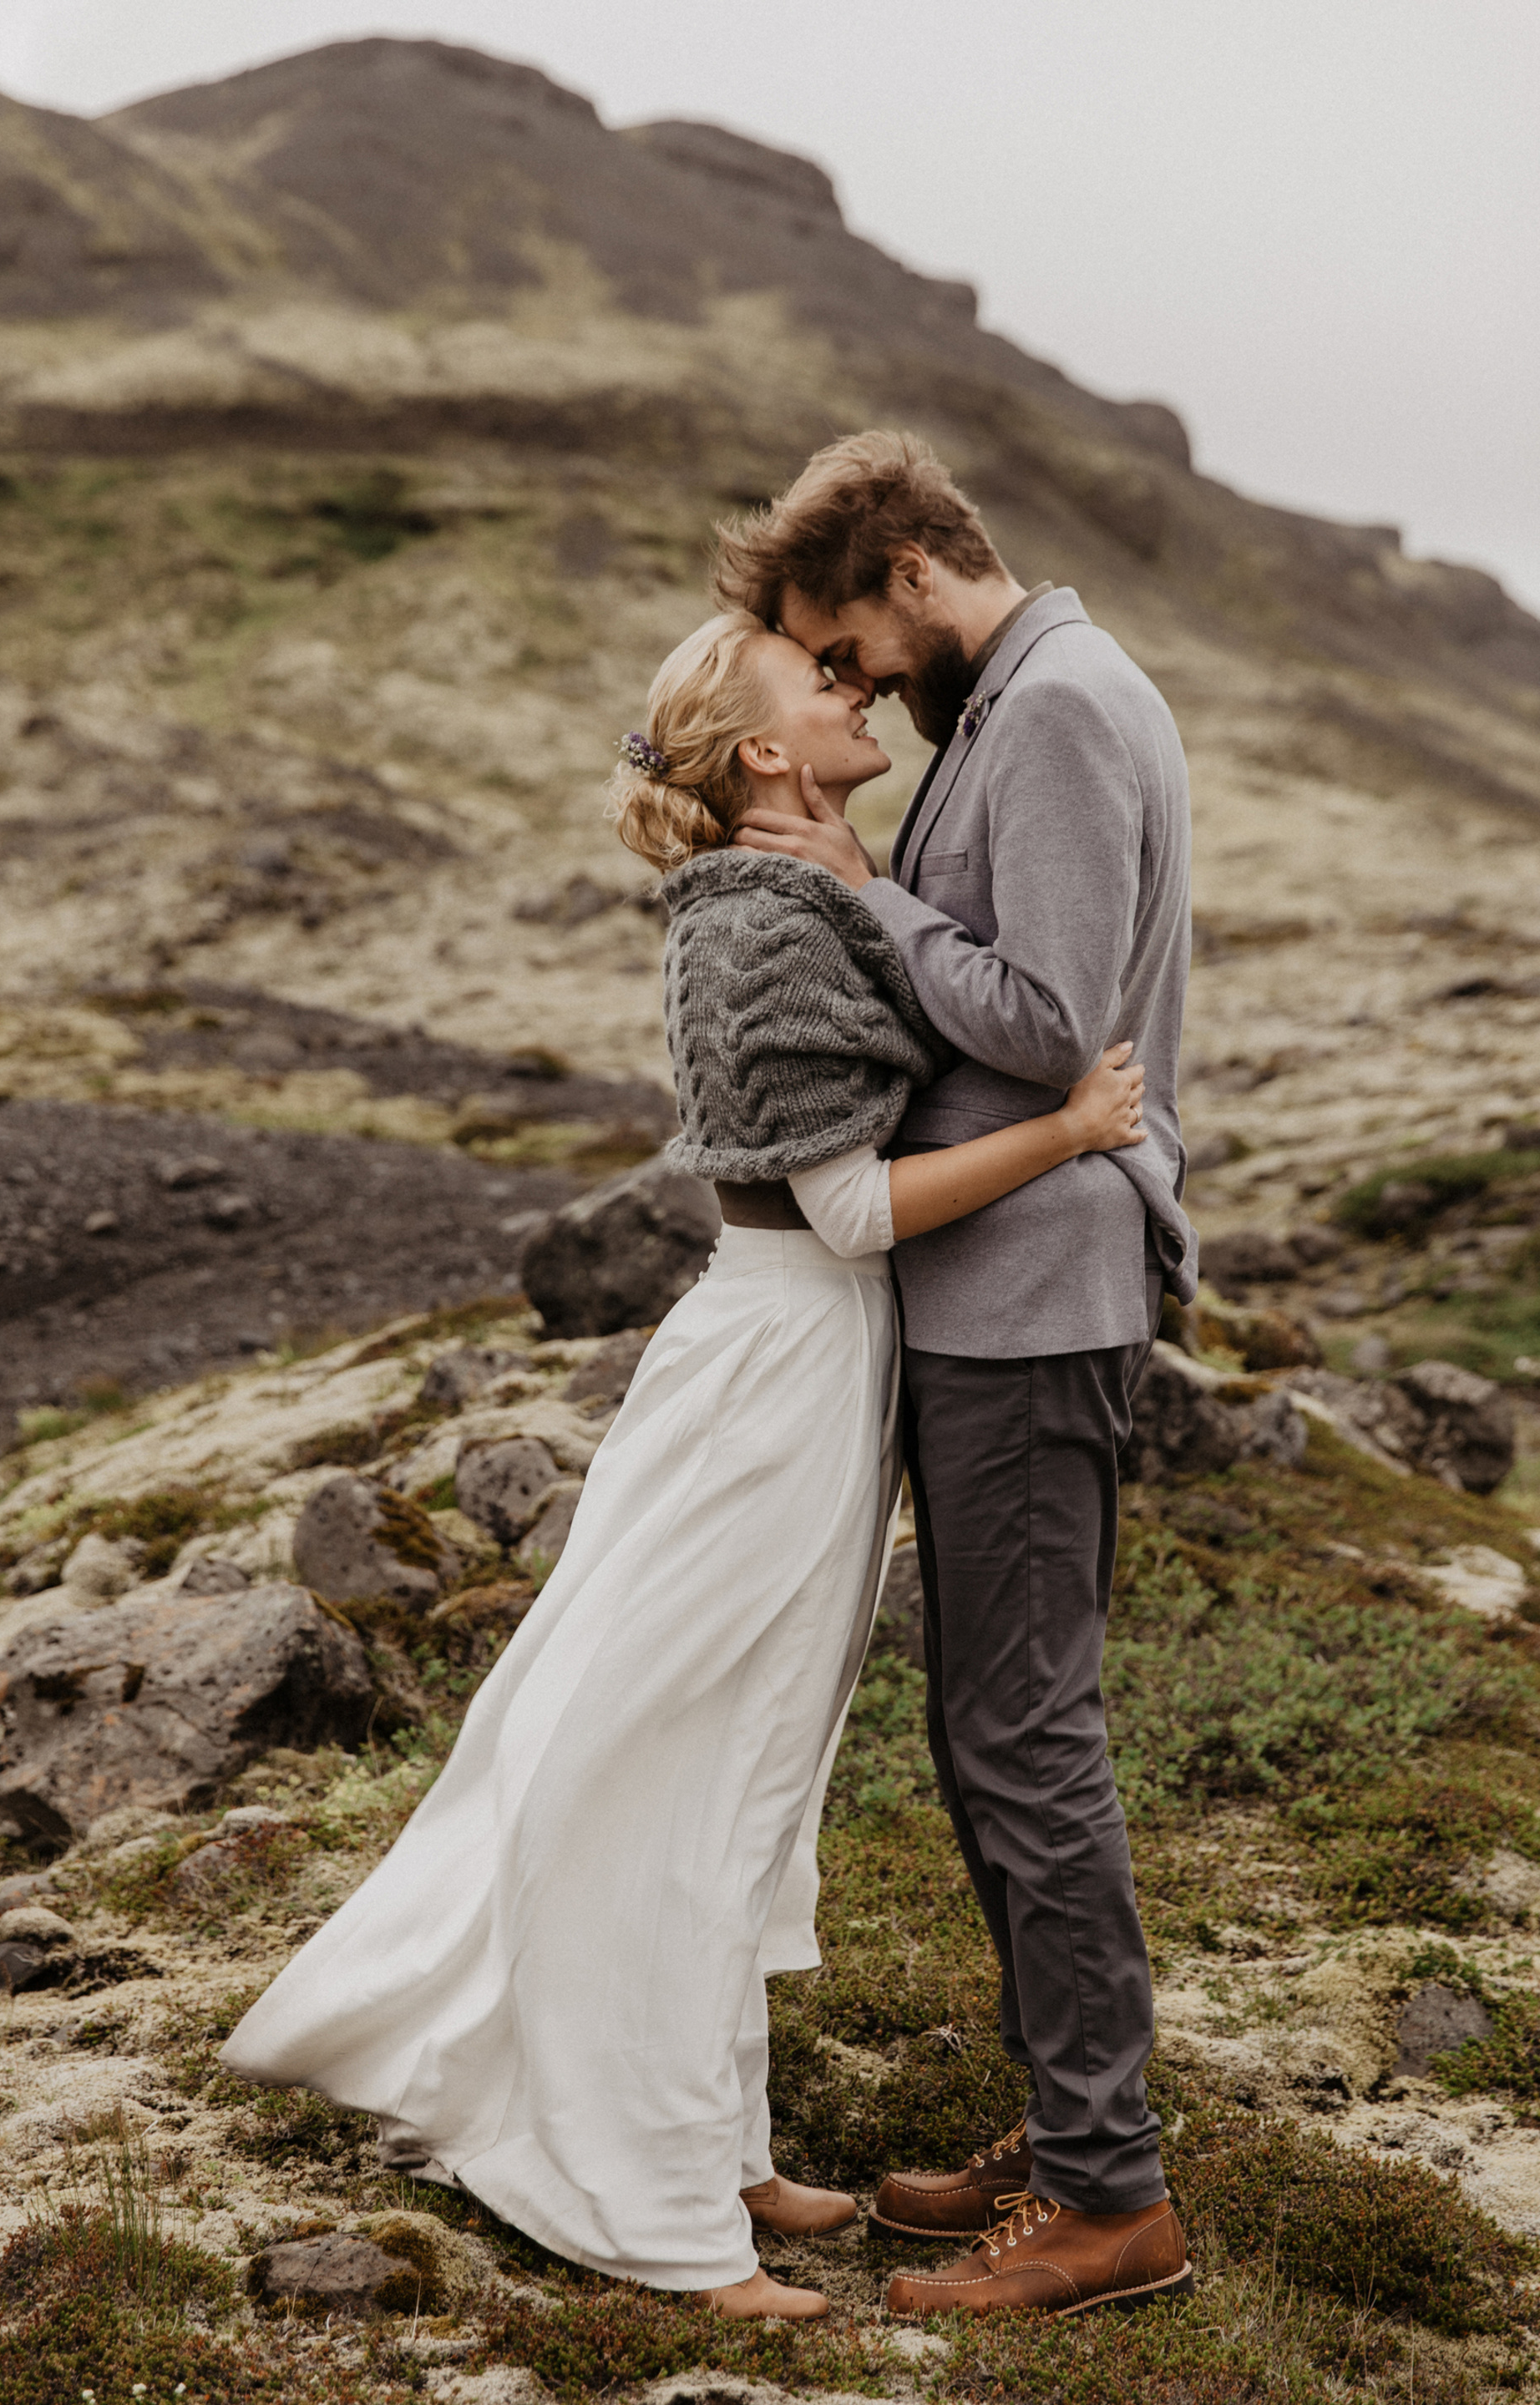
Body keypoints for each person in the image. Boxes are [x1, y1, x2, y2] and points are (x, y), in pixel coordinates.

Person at [220, 605, 1148, 2323]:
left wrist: (872, 878)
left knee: (752, 1775)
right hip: (777, 1370)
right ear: (768, 755)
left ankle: (712, 2140)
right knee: (678, 1757)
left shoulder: (799, 887)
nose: (857, 679)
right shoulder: (748, 930)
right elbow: (851, 1207)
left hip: (815, 1366)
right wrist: (1070, 1133)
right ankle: (651, 2206)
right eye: (822, 676)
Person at [718, 430, 1198, 2320]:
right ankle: (1070, 2127)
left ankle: (1109, 2199)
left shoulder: (1065, 705)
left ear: (916, 568)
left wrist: (853, 885)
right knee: (994, 1736)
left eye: (844, 648)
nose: (845, 689)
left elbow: (1052, 1017)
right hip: (999, 1297)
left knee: (1025, 1742)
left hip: (1033, 1302)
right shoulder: (1023, 703)